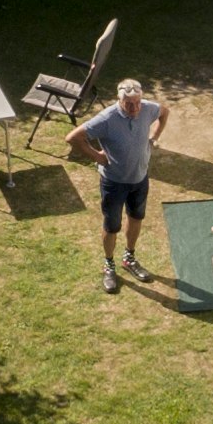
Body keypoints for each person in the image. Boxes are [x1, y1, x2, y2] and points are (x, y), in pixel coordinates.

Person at [69, 75, 165, 295]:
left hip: (139, 179)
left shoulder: (148, 108)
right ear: (120, 101)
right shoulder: (106, 119)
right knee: (112, 225)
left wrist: (155, 136)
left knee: (136, 218)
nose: (135, 108)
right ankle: (109, 265)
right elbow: (73, 137)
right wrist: (97, 156)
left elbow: (164, 113)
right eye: (129, 104)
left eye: (138, 103)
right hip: (114, 183)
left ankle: (129, 258)